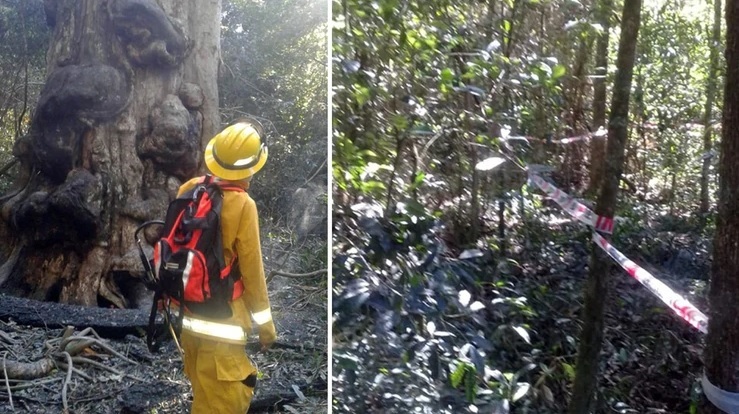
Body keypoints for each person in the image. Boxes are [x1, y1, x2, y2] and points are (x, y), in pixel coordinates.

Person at [177, 121, 277, 413]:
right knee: (224, 401)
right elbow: (252, 271)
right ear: (252, 166)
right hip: (223, 321)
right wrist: (266, 327)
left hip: (188, 314)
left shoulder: (189, 189)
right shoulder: (244, 205)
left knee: (202, 392)